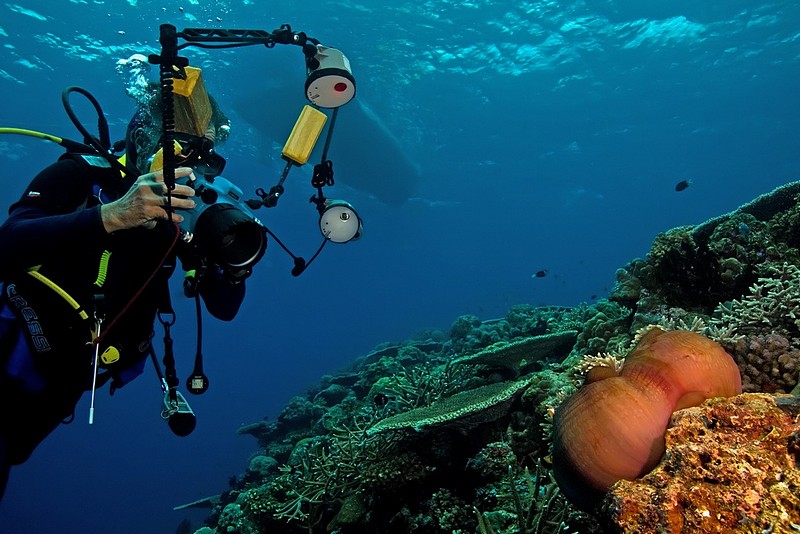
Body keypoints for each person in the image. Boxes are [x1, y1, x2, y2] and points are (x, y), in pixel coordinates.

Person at [0, 59, 246, 500]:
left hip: (71, 379)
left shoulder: (185, 211)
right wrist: (113, 215)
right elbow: (9, 243)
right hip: (12, 352)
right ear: (143, 138)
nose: (194, 166)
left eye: (205, 157)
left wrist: (234, 258)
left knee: (13, 454)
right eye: (185, 151)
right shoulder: (80, 175)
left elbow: (224, 308)